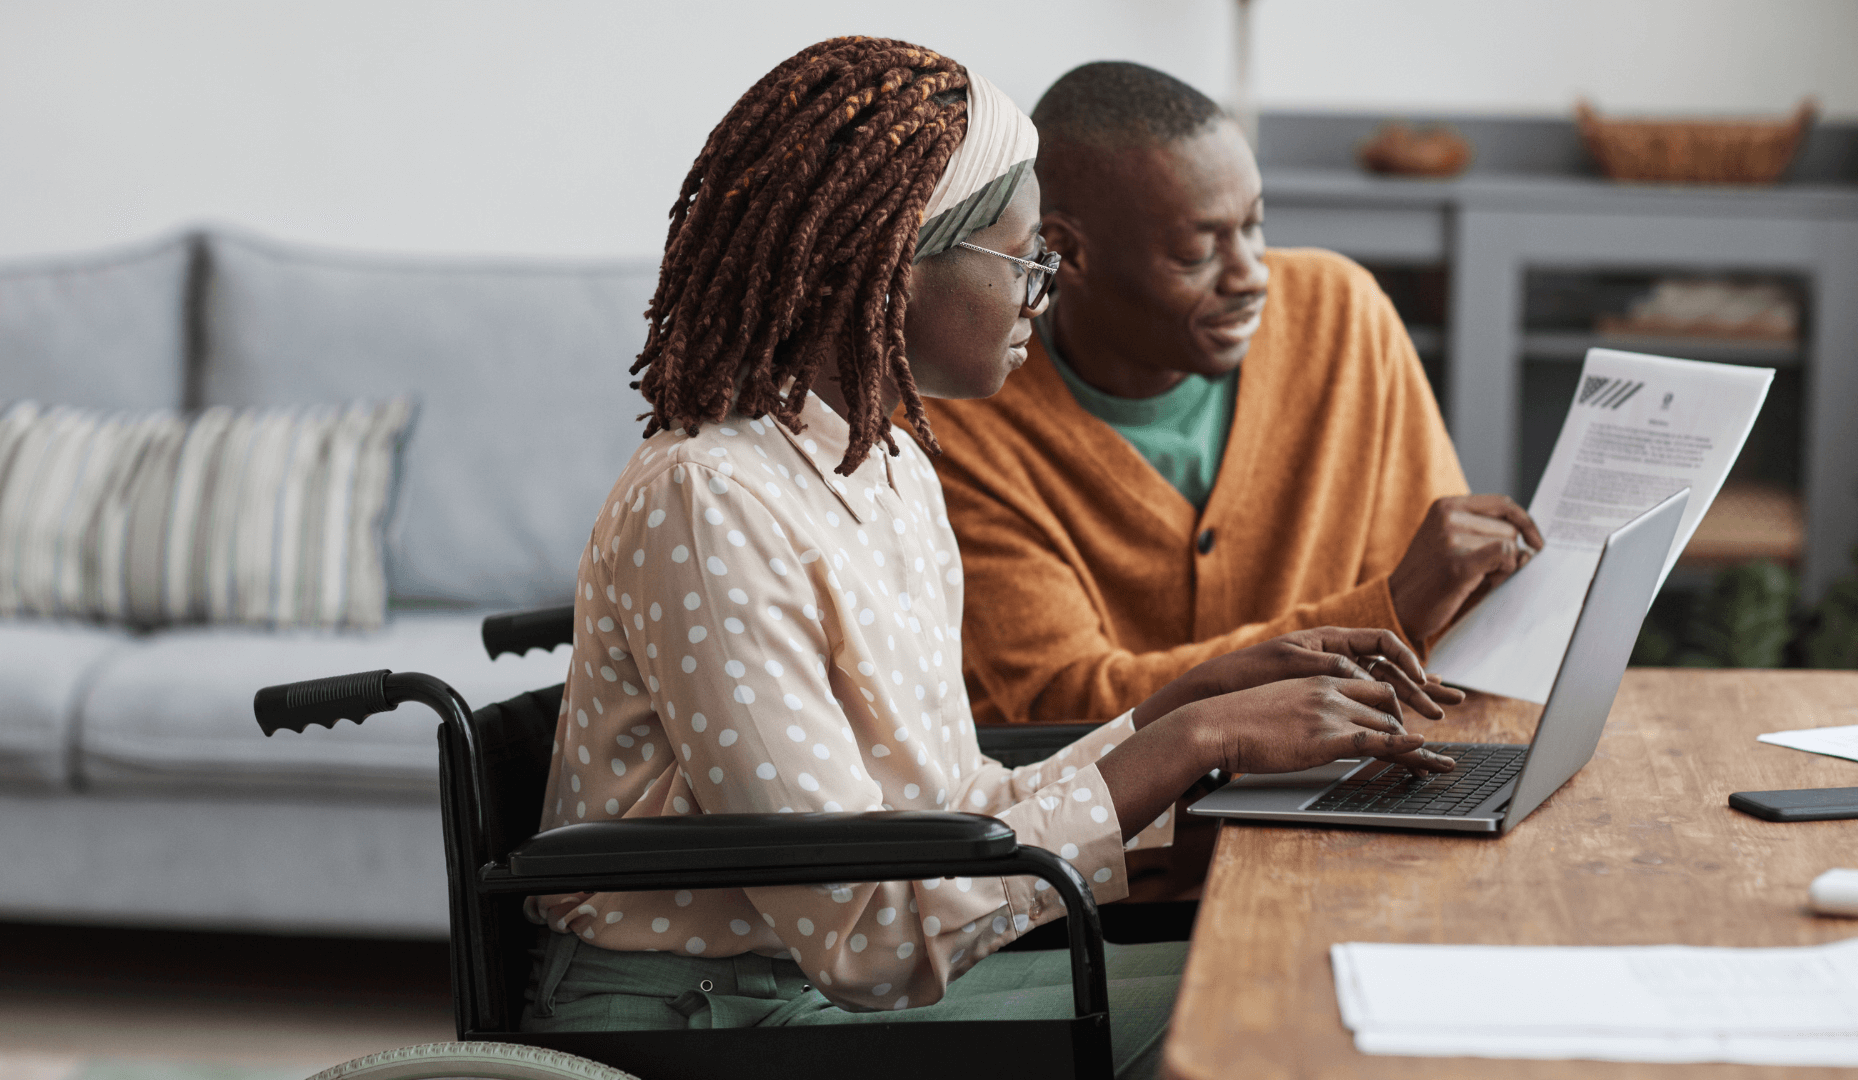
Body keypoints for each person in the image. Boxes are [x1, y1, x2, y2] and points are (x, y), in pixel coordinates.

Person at [522, 37, 1454, 1080]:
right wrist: (1189, 743)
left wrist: (1179, 710)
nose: (1043, 295)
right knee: (1278, 1021)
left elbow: (953, 813)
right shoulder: (707, 500)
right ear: (890, 264)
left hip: (825, 991)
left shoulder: (891, 469)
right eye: (1026, 261)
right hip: (711, 1018)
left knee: (1292, 977)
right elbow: (867, 931)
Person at [919, 62, 1545, 726]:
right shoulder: (959, 419)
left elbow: (1451, 627)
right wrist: (1386, 612)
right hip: (1116, 826)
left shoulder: (1341, 314)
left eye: (1254, 226)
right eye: (1197, 253)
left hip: (1353, 781)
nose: (1250, 276)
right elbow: (1063, 706)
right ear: (1069, 254)